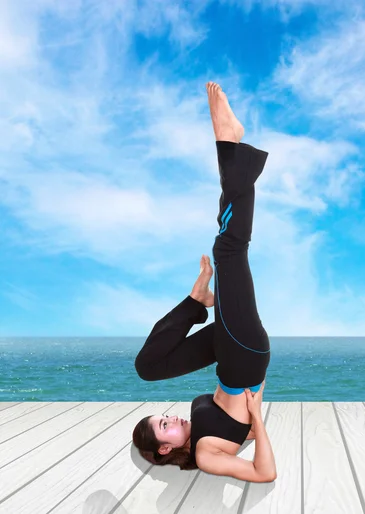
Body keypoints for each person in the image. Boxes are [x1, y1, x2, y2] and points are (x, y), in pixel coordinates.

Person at [131, 82, 277, 483]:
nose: (171, 417)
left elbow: (159, 371)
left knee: (147, 367)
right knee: (229, 247)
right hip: (244, 357)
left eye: (163, 417)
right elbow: (265, 474)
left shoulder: (197, 432)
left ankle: (197, 302)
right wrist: (257, 421)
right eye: (165, 426)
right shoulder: (207, 454)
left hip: (224, 354)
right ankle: (229, 142)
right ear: (166, 448)